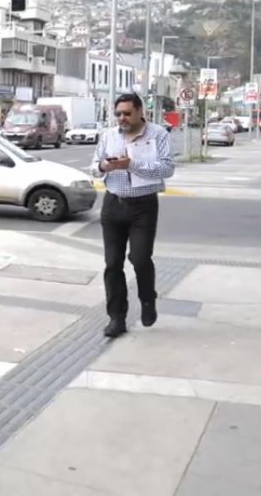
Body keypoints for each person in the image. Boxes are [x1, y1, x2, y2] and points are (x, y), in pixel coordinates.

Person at [90, 93, 176, 338]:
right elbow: (94, 167)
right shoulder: (108, 136)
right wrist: (104, 167)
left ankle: (148, 299)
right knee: (112, 263)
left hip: (143, 205)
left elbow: (167, 168)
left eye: (127, 113)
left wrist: (132, 164)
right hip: (113, 203)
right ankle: (116, 317)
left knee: (139, 258)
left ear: (140, 111)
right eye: (118, 114)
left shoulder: (157, 134)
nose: (122, 118)